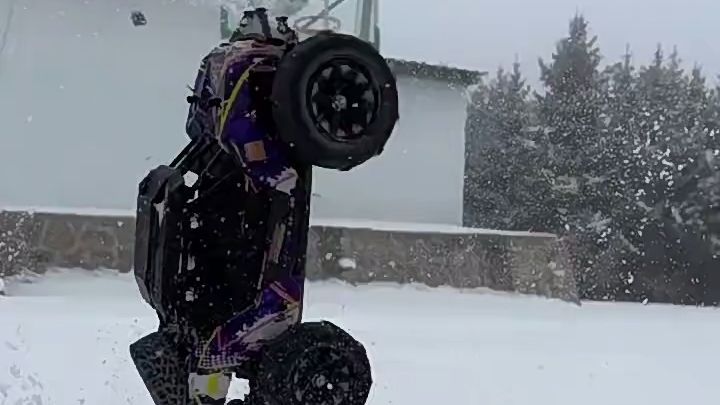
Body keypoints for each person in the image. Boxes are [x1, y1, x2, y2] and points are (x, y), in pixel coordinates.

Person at [129, 8, 311, 405]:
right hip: (247, 205)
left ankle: (202, 391)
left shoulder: (216, 61)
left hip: (213, 195)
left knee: (210, 314)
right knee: (229, 322)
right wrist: (274, 174)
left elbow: (197, 127)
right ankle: (204, 394)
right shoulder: (256, 63)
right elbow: (243, 132)